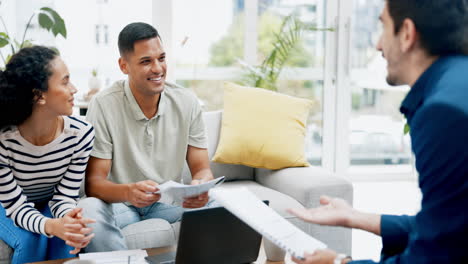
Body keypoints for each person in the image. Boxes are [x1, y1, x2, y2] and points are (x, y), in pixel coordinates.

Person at [288, 0, 468, 263]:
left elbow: (433, 257)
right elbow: (449, 228)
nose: (378, 45)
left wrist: (337, 262)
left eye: (383, 27)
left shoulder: (443, 112)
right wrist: (355, 217)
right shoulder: (458, 82)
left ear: (406, 33)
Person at [78, 22, 214, 252]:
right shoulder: (103, 104)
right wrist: (129, 192)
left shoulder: (187, 102)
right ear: (124, 66)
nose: (158, 68)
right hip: (120, 205)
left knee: (224, 204)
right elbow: (94, 185)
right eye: (146, 61)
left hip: (167, 204)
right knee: (89, 211)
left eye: (161, 58)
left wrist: (200, 187)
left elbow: (201, 168)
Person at [0, 46, 96, 263]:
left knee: (66, 240)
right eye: (65, 81)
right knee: (31, 240)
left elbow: (65, 196)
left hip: (47, 202)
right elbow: (16, 206)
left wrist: (68, 220)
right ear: (39, 95)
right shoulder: (4, 142)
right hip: (5, 205)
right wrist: (50, 225)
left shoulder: (81, 134)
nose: (74, 89)